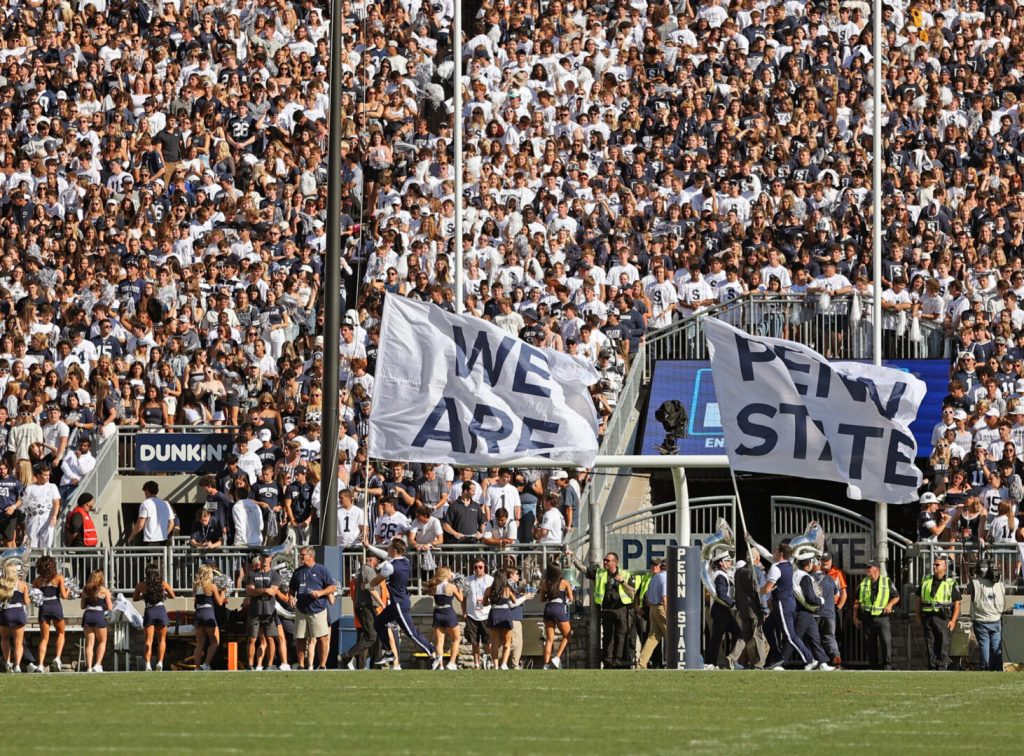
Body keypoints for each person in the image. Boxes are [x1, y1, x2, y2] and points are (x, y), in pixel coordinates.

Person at [372, 538, 436, 670]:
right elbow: (386, 556)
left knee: (411, 633)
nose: (387, 549)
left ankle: (432, 652)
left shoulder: (390, 566)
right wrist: (368, 546)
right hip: (399, 602)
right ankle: (389, 652)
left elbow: (376, 581)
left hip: (398, 603)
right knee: (378, 622)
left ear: (394, 550)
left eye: (389, 547)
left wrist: (367, 584)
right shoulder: (405, 560)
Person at [570, 551, 636, 668]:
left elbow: (632, 592)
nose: (605, 562)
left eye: (607, 561)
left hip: (621, 609)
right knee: (607, 636)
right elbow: (583, 569)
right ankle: (608, 662)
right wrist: (573, 557)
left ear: (615, 562)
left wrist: (622, 582)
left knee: (621, 635)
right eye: (604, 560)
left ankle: (618, 661)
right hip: (607, 609)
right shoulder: (600, 573)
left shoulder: (625, 574)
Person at [762, 543, 812, 670]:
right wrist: (751, 541)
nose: (773, 552)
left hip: (782, 605)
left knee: (790, 635)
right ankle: (778, 657)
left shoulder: (775, 568)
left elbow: (767, 589)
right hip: (787, 604)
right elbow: (765, 554)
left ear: (781, 553)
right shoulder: (789, 564)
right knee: (767, 626)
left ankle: (809, 659)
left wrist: (758, 590)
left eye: (776, 551)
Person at [289, 546, 336, 670]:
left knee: (322, 638)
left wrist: (320, 593)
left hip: (317, 609)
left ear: (311, 556)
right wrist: (291, 597)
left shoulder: (321, 569)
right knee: (300, 638)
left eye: (303, 555)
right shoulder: (298, 571)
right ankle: (301, 665)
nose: (300, 557)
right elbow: (292, 590)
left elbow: (332, 587)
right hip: (301, 609)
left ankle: (322, 665)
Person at [915, 556, 961, 671]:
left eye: (937, 565)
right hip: (927, 617)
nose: (934, 567)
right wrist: (918, 616)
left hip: (942, 618)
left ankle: (941, 667)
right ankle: (932, 666)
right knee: (930, 643)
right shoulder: (926, 581)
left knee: (942, 643)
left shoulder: (950, 583)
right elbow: (919, 600)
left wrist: (953, 621)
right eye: (934, 565)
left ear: (944, 567)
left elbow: (957, 603)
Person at [853, 560, 900, 670]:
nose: (867, 570)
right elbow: (856, 601)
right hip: (867, 618)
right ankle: (874, 666)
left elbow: (896, 597)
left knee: (886, 642)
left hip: (882, 618)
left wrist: (889, 605)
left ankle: (887, 666)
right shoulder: (863, 582)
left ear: (877, 570)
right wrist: (855, 616)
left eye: (869, 567)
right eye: (867, 568)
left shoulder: (886, 581)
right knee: (869, 643)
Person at [727, 550, 769, 671]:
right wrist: (765, 609)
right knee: (758, 636)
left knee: (744, 636)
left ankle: (732, 657)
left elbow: (737, 592)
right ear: (757, 559)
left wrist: (739, 607)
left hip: (743, 609)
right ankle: (759, 664)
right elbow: (762, 593)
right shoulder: (757, 572)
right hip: (755, 610)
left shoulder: (738, 572)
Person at [339, 551, 381, 670]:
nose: (378, 562)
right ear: (372, 559)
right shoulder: (368, 570)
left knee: (368, 637)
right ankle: (346, 656)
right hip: (366, 607)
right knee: (371, 636)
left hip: (364, 607)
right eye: (378, 560)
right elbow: (371, 589)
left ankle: (369, 665)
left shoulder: (363, 571)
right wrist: (382, 603)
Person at [245, 551, 285, 671]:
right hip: (254, 610)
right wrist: (264, 590)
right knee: (252, 639)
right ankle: (250, 665)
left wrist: (258, 591)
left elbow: (273, 591)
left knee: (270, 638)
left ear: (270, 559)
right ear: (260, 559)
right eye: (262, 557)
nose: (264, 559)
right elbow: (250, 591)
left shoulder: (274, 575)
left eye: (267, 557)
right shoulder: (252, 574)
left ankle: (269, 664)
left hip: (269, 611)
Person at [792, 558, 834, 671]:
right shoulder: (804, 576)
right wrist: (820, 601)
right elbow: (810, 597)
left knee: (814, 639)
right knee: (794, 638)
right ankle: (780, 661)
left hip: (807, 613)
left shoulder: (798, 574)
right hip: (803, 612)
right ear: (808, 564)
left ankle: (822, 663)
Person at [133, 562, 175, 671]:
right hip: (161, 611)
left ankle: (147, 664)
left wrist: (144, 596)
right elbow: (173, 596)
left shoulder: (141, 585)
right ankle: (160, 662)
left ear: (146, 573)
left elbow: (135, 598)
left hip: (149, 611)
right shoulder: (163, 583)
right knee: (162, 639)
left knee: (148, 641)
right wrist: (163, 594)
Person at [31, 555, 69, 673]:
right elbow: (64, 596)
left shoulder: (37, 581)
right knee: (61, 633)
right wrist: (68, 591)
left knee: (44, 638)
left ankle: (40, 665)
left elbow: (34, 596)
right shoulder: (59, 578)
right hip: (55, 606)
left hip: (44, 607)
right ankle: (57, 658)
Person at [968, 558, 1006, 671]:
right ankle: (997, 668)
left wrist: (972, 576)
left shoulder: (974, 583)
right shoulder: (999, 583)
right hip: (996, 618)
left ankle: (985, 668)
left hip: (980, 620)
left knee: (984, 645)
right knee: (996, 646)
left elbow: (968, 590)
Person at [706, 551, 740, 668]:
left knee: (735, 633)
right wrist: (733, 604)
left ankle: (731, 660)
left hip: (723, 610)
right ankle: (710, 663)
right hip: (721, 611)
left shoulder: (722, 574)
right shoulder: (720, 575)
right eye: (727, 561)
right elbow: (722, 594)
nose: (730, 563)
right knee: (717, 638)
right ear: (721, 563)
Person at [484, 567, 521, 670]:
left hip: (494, 613)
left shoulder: (489, 590)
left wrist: (491, 601)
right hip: (505, 613)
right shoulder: (507, 589)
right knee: (507, 641)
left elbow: (484, 603)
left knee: (494, 642)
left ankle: (495, 665)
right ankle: (504, 663)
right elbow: (514, 601)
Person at [428, 566, 464, 670]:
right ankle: (451, 663)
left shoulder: (434, 586)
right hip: (448, 613)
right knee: (456, 638)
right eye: (450, 573)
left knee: (439, 642)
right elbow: (461, 599)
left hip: (437, 613)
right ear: (446, 574)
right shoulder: (451, 586)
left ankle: (440, 665)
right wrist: (460, 589)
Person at [541, 561, 574, 669]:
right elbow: (571, 599)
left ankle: (546, 665)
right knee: (567, 635)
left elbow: (542, 599)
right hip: (559, 608)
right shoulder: (564, 582)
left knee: (549, 639)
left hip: (548, 609)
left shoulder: (545, 583)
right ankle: (557, 657)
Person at [193, 564, 227, 671]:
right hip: (208, 613)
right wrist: (223, 592)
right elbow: (220, 602)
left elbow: (195, 604)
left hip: (198, 613)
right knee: (215, 642)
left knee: (200, 643)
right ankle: (206, 664)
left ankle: (197, 667)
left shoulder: (196, 586)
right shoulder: (212, 586)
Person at [463, 557, 493, 669]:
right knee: (474, 641)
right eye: (475, 567)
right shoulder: (468, 580)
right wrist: (464, 612)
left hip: (486, 614)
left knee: (488, 641)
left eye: (480, 567)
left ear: (484, 568)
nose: (478, 569)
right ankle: (476, 663)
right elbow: (464, 598)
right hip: (472, 614)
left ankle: (489, 661)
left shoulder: (490, 580)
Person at [0, 560, 30, 672]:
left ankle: (7, 662)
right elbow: (27, 602)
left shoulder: (1, 584)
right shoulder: (23, 585)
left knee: (4, 638)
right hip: (18, 613)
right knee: (18, 642)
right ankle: (17, 665)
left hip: (5, 613)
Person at [81, 569, 112, 673]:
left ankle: (89, 667)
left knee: (89, 644)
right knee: (102, 641)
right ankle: (97, 664)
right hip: (98, 615)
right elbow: (110, 607)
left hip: (88, 615)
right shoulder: (104, 590)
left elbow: (82, 606)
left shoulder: (85, 590)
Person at [21, 465, 61, 548]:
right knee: (32, 545)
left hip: (47, 519)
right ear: (38, 475)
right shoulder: (30, 488)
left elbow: (56, 503)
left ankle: (46, 557)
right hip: (33, 519)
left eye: (48, 475)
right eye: (45, 475)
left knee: (46, 545)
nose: (48, 477)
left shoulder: (52, 487)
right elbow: (24, 504)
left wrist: (54, 517)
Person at [819, 552, 847, 666]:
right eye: (823, 561)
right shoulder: (818, 573)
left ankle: (835, 660)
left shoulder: (837, 573)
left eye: (827, 561)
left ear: (831, 561)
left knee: (835, 635)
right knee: (820, 634)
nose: (825, 563)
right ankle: (824, 661)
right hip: (820, 607)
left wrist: (838, 608)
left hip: (834, 608)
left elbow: (844, 593)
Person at [130, 480, 175, 546]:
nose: (144, 494)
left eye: (145, 492)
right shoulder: (166, 504)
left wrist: (131, 536)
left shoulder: (145, 504)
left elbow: (140, 524)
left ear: (147, 491)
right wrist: (165, 534)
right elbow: (171, 523)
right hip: (163, 541)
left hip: (150, 541)